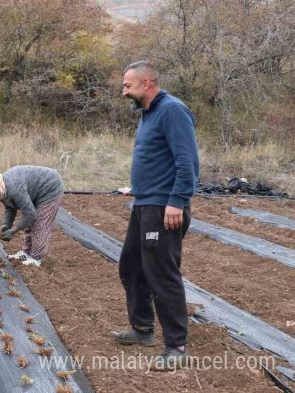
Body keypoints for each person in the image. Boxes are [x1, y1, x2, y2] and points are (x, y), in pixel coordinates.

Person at [111, 61, 199, 371]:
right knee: (132, 267)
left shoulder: (172, 110)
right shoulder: (149, 114)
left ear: (147, 83)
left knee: (161, 273)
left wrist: (177, 200)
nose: (124, 92)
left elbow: (187, 160)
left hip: (164, 208)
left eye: (128, 86)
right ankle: (142, 329)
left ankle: (176, 345)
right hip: (144, 205)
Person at [0, 166, 64, 267]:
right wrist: (5, 225)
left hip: (50, 188)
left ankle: (36, 258)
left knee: (38, 224)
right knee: (27, 223)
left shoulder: (14, 187)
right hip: (35, 191)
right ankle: (26, 252)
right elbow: (10, 209)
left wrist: (13, 231)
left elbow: (31, 215)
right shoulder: (2, 189)